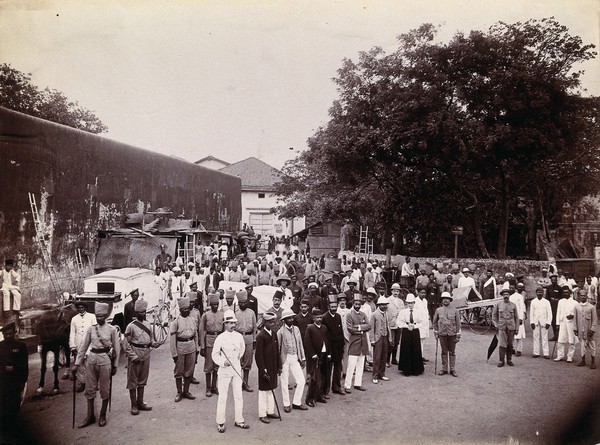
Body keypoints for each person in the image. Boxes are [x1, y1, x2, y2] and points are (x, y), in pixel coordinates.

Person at [71, 302, 120, 428]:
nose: (99, 318)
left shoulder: (112, 329)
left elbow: (117, 349)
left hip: (105, 361)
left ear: (105, 316)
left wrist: (115, 365)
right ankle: (90, 416)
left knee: (104, 389)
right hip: (91, 360)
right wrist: (76, 364)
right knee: (90, 389)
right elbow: (83, 348)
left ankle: (102, 414)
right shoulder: (91, 329)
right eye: (97, 316)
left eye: (101, 316)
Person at [212, 310, 249, 433]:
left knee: (238, 395)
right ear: (225, 324)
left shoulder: (239, 336)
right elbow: (214, 355)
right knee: (223, 397)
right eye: (230, 323)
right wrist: (223, 362)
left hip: (237, 370)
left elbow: (242, 348)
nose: (233, 325)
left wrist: (237, 357)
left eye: (234, 323)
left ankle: (239, 420)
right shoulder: (220, 338)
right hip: (224, 372)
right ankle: (220, 422)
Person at [123, 299, 156, 415]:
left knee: (143, 379)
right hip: (135, 353)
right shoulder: (130, 326)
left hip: (146, 353)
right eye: (140, 312)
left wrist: (153, 343)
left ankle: (140, 402)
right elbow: (126, 344)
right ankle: (134, 405)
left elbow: (151, 338)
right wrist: (133, 356)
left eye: (144, 312)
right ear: (136, 313)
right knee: (133, 381)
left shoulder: (147, 324)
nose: (143, 314)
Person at [0, 322, 28, 438]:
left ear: (14, 333)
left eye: (10, 334)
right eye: (5, 334)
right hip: (1, 380)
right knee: (2, 404)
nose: (7, 336)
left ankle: (14, 428)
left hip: (15, 381)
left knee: (14, 405)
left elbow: (24, 366)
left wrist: (23, 381)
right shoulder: (0, 346)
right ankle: (4, 429)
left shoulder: (21, 346)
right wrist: (3, 369)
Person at [277, 308, 308, 412]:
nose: (291, 319)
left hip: (295, 357)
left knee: (301, 381)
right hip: (285, 358)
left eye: (292, 317)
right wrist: (279, 364)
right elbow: (278, 348)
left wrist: (302, 358)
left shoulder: (296, 329)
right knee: (284, 382)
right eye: (288, 318)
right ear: (284, 320)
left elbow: (300, 344)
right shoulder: (280, 332)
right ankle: (286, 404)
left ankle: (296, 402)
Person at [255, 312, 281, 424]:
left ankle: (270, 411)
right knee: (263, 392)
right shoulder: (261, 336)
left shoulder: (274, 334)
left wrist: (279, 367)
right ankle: (262, 414)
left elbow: (277, 352)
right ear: (265, 322)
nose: (273, 324)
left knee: (271, 390)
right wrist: (262, 370)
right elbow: (258, 356)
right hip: (265, 369)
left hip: (273, 367)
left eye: (273, 322)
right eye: (270, 322)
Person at [170, 296, 198, 402]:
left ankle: (186, 391)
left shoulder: (192, 320)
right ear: (180, 310)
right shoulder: (175, 322)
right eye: (184, 309)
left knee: (189, 371)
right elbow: (172, 340)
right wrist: (174, 354)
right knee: (179, 372)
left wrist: (197, 348)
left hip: (191, 347)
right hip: (180, 348)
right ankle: (179, 392)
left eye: (187, 308)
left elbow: (195, 335)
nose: (186, 310)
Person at [304, 308, 330, 407]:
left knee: (323, 376)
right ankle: (309, 398)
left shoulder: (324, 328)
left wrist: (328, 353)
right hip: (315, 357)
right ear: (313, 318)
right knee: (314, 378)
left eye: (320, 317)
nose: (319, 319)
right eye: (317, 317)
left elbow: (327, 341)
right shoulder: (310, 328)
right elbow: (308, 343)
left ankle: (319, 395)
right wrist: (313, 354)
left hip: (324, 355)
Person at [199, 292, 224, 397]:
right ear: (210, 304)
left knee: (217, 366)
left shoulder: (221, 315)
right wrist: (202, 346)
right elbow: (201, 331)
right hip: (209, 342)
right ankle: (208, 388)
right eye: (213, 304)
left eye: (217, 304)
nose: (215, 306)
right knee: (209, 366)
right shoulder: (205, 316)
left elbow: (223, 331)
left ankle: (214, 386)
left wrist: (223, 345)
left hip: (218, 341)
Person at [344, 294, 370, 392]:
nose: (357, 306)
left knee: (360, 364)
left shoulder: (363, 314)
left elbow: (369, 326)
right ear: (353, 304)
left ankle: (358, 384)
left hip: (363, 343)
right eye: (356, 304)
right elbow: (350, 329)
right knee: (351, 365)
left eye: (359, 304)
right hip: (354, 343)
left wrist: (358, 327)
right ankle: (347, 385)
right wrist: (362, 329)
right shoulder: (350, 314)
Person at [69, 301, 97, 392]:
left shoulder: (92, 317)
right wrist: (72, 346)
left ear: (85, 308)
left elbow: (95, 331)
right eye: (79, 308)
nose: (81, 309)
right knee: (79, 365)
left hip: (89, 343)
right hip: (78, 343)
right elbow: (72, 333)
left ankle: (93, 383)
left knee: (90, 365)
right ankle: (82, 383)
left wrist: (94, 345)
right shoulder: (74, 319)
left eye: (82, 307)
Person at [321, 294, 345, 396]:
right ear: (328, 307)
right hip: (330, 348)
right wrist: (327, 350)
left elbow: (341, 331)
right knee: (328, 369)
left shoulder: (338, 316)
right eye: (332, 307)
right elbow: (324, 336)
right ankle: (325, 390)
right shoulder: (324, 318)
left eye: (335, 307)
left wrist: (342, 344)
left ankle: (336, 387)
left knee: (338, 368)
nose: (334, 309)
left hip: (338, 347)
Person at [433, 292, 461, 377]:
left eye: (447, 298)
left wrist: (458, 335)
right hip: (442, 334)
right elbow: (434, 322)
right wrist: (436, 332)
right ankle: (444, 369)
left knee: (452, 352)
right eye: (443, 299)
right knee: (444, 351)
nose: (445, 300)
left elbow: (458, 324)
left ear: (450, 300)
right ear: (441, 300)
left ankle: (452, 369)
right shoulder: (438, 310)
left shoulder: (455, 310)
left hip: (452, 334)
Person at [396, 294, 425, 376]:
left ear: (414, 303)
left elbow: (422, 322)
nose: (410, 305)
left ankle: (416, 369)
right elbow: (399, 322)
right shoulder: (403, 312)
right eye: (409, 303)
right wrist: (407, 326)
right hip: (406, 331)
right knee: (406, 349)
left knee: (415, 349)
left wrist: (414, 326)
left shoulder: (418, 312)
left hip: (415, 331)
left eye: (412, 303)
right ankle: (406, 369)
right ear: (406, 303)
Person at [234, 289, 256, 392]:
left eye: (245, 302)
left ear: (247, 302)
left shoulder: (251, 313)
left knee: (247, 362)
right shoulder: (235, 313)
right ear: (238, 303)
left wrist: (254, 340)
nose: (243, 304)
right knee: (238, 362)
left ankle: (245, 383)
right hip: (238, 339)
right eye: (241, 302)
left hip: (248, 339)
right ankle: (238, 383)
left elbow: (255, 328)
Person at [492, 289, 519, 368]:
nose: (506, 296)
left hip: (511, 327)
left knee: (510, 344)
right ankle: (501, 361)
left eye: (507, 294)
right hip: (502, 327)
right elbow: (494, 316)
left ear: (509, 295)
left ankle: (509, 360)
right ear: (502, 296)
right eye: (504, 295)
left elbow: (516, 317)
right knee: (502, 344)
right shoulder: (499, 305)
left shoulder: (513, 305)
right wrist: (496, 325)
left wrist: (516, 328)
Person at [554, 286, 578, 363]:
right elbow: (558, 312)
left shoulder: (575, 302)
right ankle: (560, 355)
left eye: (567, 292)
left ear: (570, 293)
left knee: (571, 340)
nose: (565, 294)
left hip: (571, 323)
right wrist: (557, 324)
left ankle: (570, 357)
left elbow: (577, 314)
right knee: (560, 340)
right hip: (562, 323)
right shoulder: (561, 301)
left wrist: (572, 316)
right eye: (564, 292)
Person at [574, 289, 597, 369]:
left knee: (592, 345)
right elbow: (575, 319)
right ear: (579, 297)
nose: (583, 297)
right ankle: (583, 360)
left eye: (584, 295)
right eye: (581, 296)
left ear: (587, 296)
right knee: (582, 345)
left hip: (589, 329)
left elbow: (594, 320)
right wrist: (575, 329)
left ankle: (593, 361)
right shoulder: (576, 307)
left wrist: (592, 330)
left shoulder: (591, 307)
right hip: (581, 329)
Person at [371, 296, 391, 384]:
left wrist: (389, 337)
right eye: (382, 305)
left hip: (385, 336)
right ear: (378, 305)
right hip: (377, 337)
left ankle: (382, 374)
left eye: (385, 305)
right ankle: (375, 375)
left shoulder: (386, 313)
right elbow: (371, 329)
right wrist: (372, 340)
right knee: (377, 357)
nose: (384, 306)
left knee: (384, 356)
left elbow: (388, 326)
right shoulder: (374, 314)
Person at [529, 287, 552, 359]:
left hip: (544, 322)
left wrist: (548, 322)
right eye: (538, 292)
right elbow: (531, 312)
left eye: (541, 292)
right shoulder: (533, 301)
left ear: (543, 293)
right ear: (536, 293)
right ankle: (536, 352)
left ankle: (546, 353)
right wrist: (532, 322)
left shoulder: (546, 302)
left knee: (544, 337)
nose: (540, 293)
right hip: (535, 322)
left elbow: (549, 313)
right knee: (536, 337)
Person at [387, 283, 404, 366]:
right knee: (391, 342)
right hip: (391, 323)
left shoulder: (401, 302)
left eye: (397, 291)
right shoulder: (388, 300)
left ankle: (394, 359)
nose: (396, 292)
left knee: (397, 342)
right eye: (394, 291)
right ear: (391, 291)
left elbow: (403, 312)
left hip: (399, 323)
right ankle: (387, 360)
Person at [1, 259, 21, 324]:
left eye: (11, 266)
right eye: (8, 266)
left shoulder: (11, 271)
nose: (10, 268)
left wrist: (16, 281)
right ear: (5, 265)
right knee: (6, 294)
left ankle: (16, 309)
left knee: (17, 294)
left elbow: (18, 275)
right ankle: (6, 311)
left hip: (10, 285)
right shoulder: (2, 271)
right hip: (4, 286)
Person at [509, 285, 526, 357]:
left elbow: (522, 307)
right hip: (510, 318)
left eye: (512, 288)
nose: (511, 289)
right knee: (510, 334)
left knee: (518, 334)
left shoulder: (519, 296)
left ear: (515, 289)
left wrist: (521, 318)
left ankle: (519, 350)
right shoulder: (508, 296)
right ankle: (511, 348)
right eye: (510, 288)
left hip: (518, 316)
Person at [546, 274, 562, 341]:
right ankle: (555, 335)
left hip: (558, 305)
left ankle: (559, 335)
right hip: (551, 305)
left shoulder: (559, 288)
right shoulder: (549, 288)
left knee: (558, 320)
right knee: (553, 320)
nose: (553, 282)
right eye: (552, 280)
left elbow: (561, 298)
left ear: (556, 280)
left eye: (554, 280)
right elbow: (547, 297)